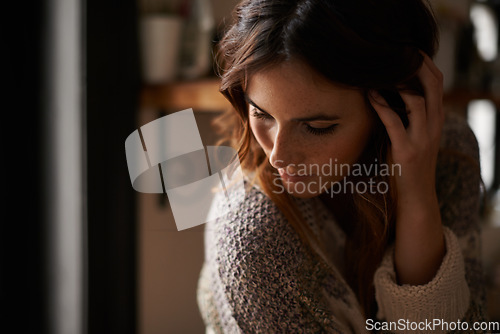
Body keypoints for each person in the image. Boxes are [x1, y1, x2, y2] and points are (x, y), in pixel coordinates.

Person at [196, 0, 488, 332]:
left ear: (392, 109)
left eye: (317, 127)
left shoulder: (448, 155)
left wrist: (417, 194)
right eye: (262, 114)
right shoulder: (250, 239)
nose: (279, 156)